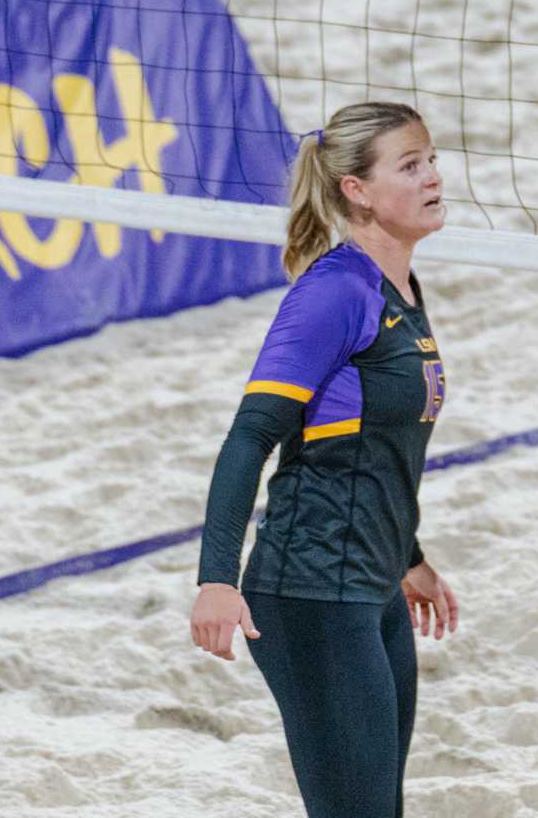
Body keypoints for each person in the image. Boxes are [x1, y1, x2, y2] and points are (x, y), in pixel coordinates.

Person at [189, 101, 459, 818]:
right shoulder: (334, 293)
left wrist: (409, 554)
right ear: (357, 190)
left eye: (431, 159)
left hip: (371, 586)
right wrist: (216, 579)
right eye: (411, 166)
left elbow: (371, 447)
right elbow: (249, 437)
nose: (433, 176)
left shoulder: (400, 287)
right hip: (311, 594)